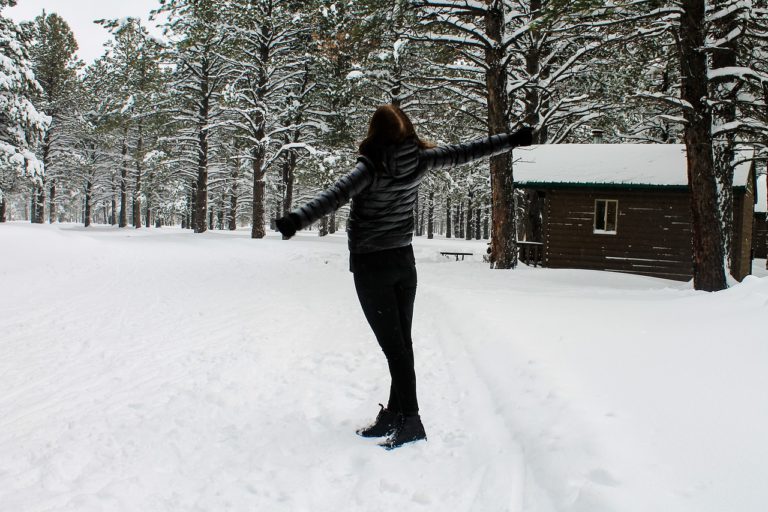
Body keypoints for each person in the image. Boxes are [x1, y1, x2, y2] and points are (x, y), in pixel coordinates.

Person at [276, 104, 533, 449]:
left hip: (372, 265)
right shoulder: (421, 158)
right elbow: (469, 150)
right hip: (403, 262)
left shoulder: (369, 167)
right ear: (408, 131)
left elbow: (332, 197)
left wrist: (295, 220)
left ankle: (411, 420)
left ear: (375, 134)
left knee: (395, 349)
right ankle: (395, 414)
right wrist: (512, 139)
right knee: (401, 345)